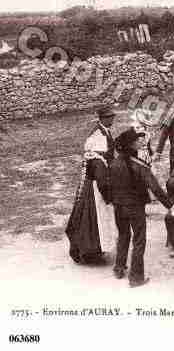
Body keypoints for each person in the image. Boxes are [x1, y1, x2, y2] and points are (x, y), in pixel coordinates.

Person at [110, 129, 173, 288]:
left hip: (118, 206)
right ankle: (136, 277)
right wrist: (170, 206)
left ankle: (119, 267)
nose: (141, 142)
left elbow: (107, 184)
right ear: (131, 144)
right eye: (137, 140)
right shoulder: (139, 165)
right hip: (134, 207)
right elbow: (156, 189)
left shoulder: (114, 162)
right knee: (139, 239)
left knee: (123, 235)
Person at [64, 107, 117, 265]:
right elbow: (100, 178)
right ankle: (91, 252)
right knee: (94, 222)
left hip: (92, 186)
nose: (112, 119)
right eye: (108, 117)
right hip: (95, 190)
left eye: (112, 116)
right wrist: (108, 196)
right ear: (102, 118)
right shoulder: (98, 150)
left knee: (91, 222)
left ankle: (93, 251)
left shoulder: (104, 131)